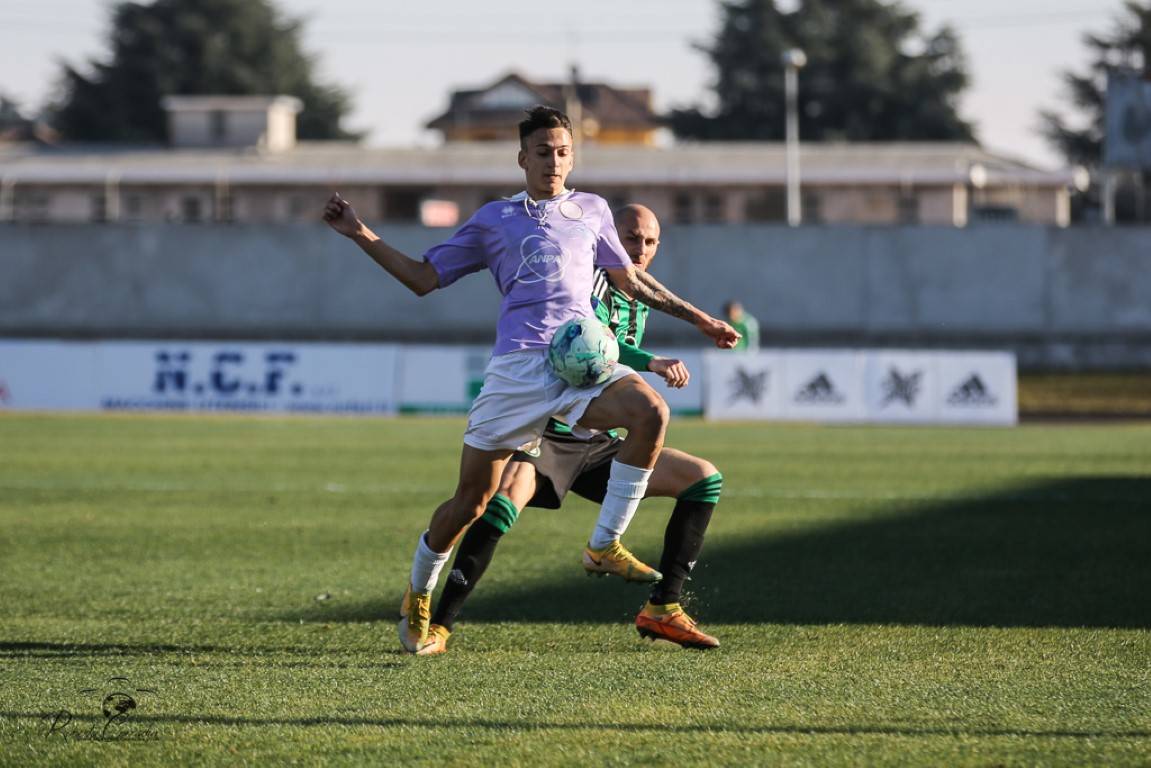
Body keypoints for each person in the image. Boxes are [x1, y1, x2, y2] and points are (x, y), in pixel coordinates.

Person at [322, 106, 740, 653]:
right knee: (470, 502)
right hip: (517, 371)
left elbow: (632, 282)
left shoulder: (591, 210)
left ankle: (603, 545)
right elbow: (423, 279)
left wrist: (700, 318)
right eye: (543, 151)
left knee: (651, 412)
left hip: (580, 360)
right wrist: (359, 232)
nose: (554, 161)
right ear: (523, 158)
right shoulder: (494, 220)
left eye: (563, 151)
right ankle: (420, 591)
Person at [420, 203, 723, 655]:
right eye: (630, 238)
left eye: (650, 241)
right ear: (607, 237)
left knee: (702, 480)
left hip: (598, 440)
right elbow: (584, 337)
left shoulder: (635, 294)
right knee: (499, 503)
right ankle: (439, 627)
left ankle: (663, 608)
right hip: (553, 429)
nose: (639, 249)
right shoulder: (591, 279)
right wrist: (651, 362)